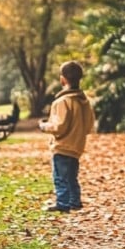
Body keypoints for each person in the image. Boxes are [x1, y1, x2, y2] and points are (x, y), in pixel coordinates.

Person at [38, 61, 97, 213]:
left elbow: (60, 126)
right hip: (77, 145)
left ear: (62, 79)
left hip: (62, 146)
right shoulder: (84, 101)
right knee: (72, 176)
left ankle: (63, 203)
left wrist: (45, 126)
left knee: (60, 177)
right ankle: (75, 201)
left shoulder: (62, 101)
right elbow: (89, 124)